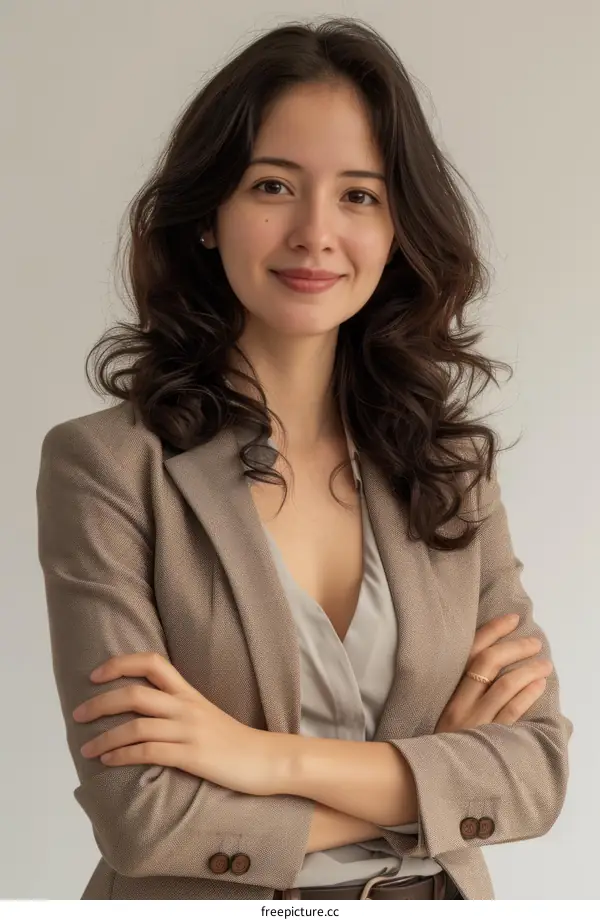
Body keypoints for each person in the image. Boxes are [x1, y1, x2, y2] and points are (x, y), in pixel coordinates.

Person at [36, 17, 572, 901]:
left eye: (359, 195)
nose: (315, 232)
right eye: (273, 186)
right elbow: (146, 816)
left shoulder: (450, 466)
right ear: (209, 214)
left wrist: (254, 758)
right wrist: (431, 777)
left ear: (399, 227)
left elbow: (531, 775)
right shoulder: (106, 466)